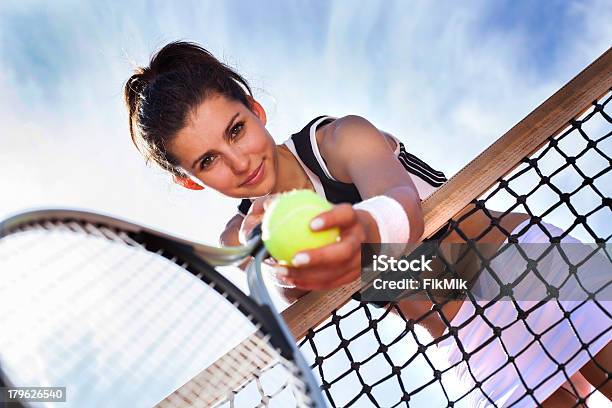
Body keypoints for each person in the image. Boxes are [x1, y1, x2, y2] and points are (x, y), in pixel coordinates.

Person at [124, 41, 610, 407]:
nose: (238, 160)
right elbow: (298, 296)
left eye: (236, 129)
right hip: (474, 348)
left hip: (534, 270)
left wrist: (363, 233)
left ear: (256, 110)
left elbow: (403, 204)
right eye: (208, 161)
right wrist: (272, 258)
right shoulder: (251, 233)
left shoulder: (335, 140)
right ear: (191, 182)